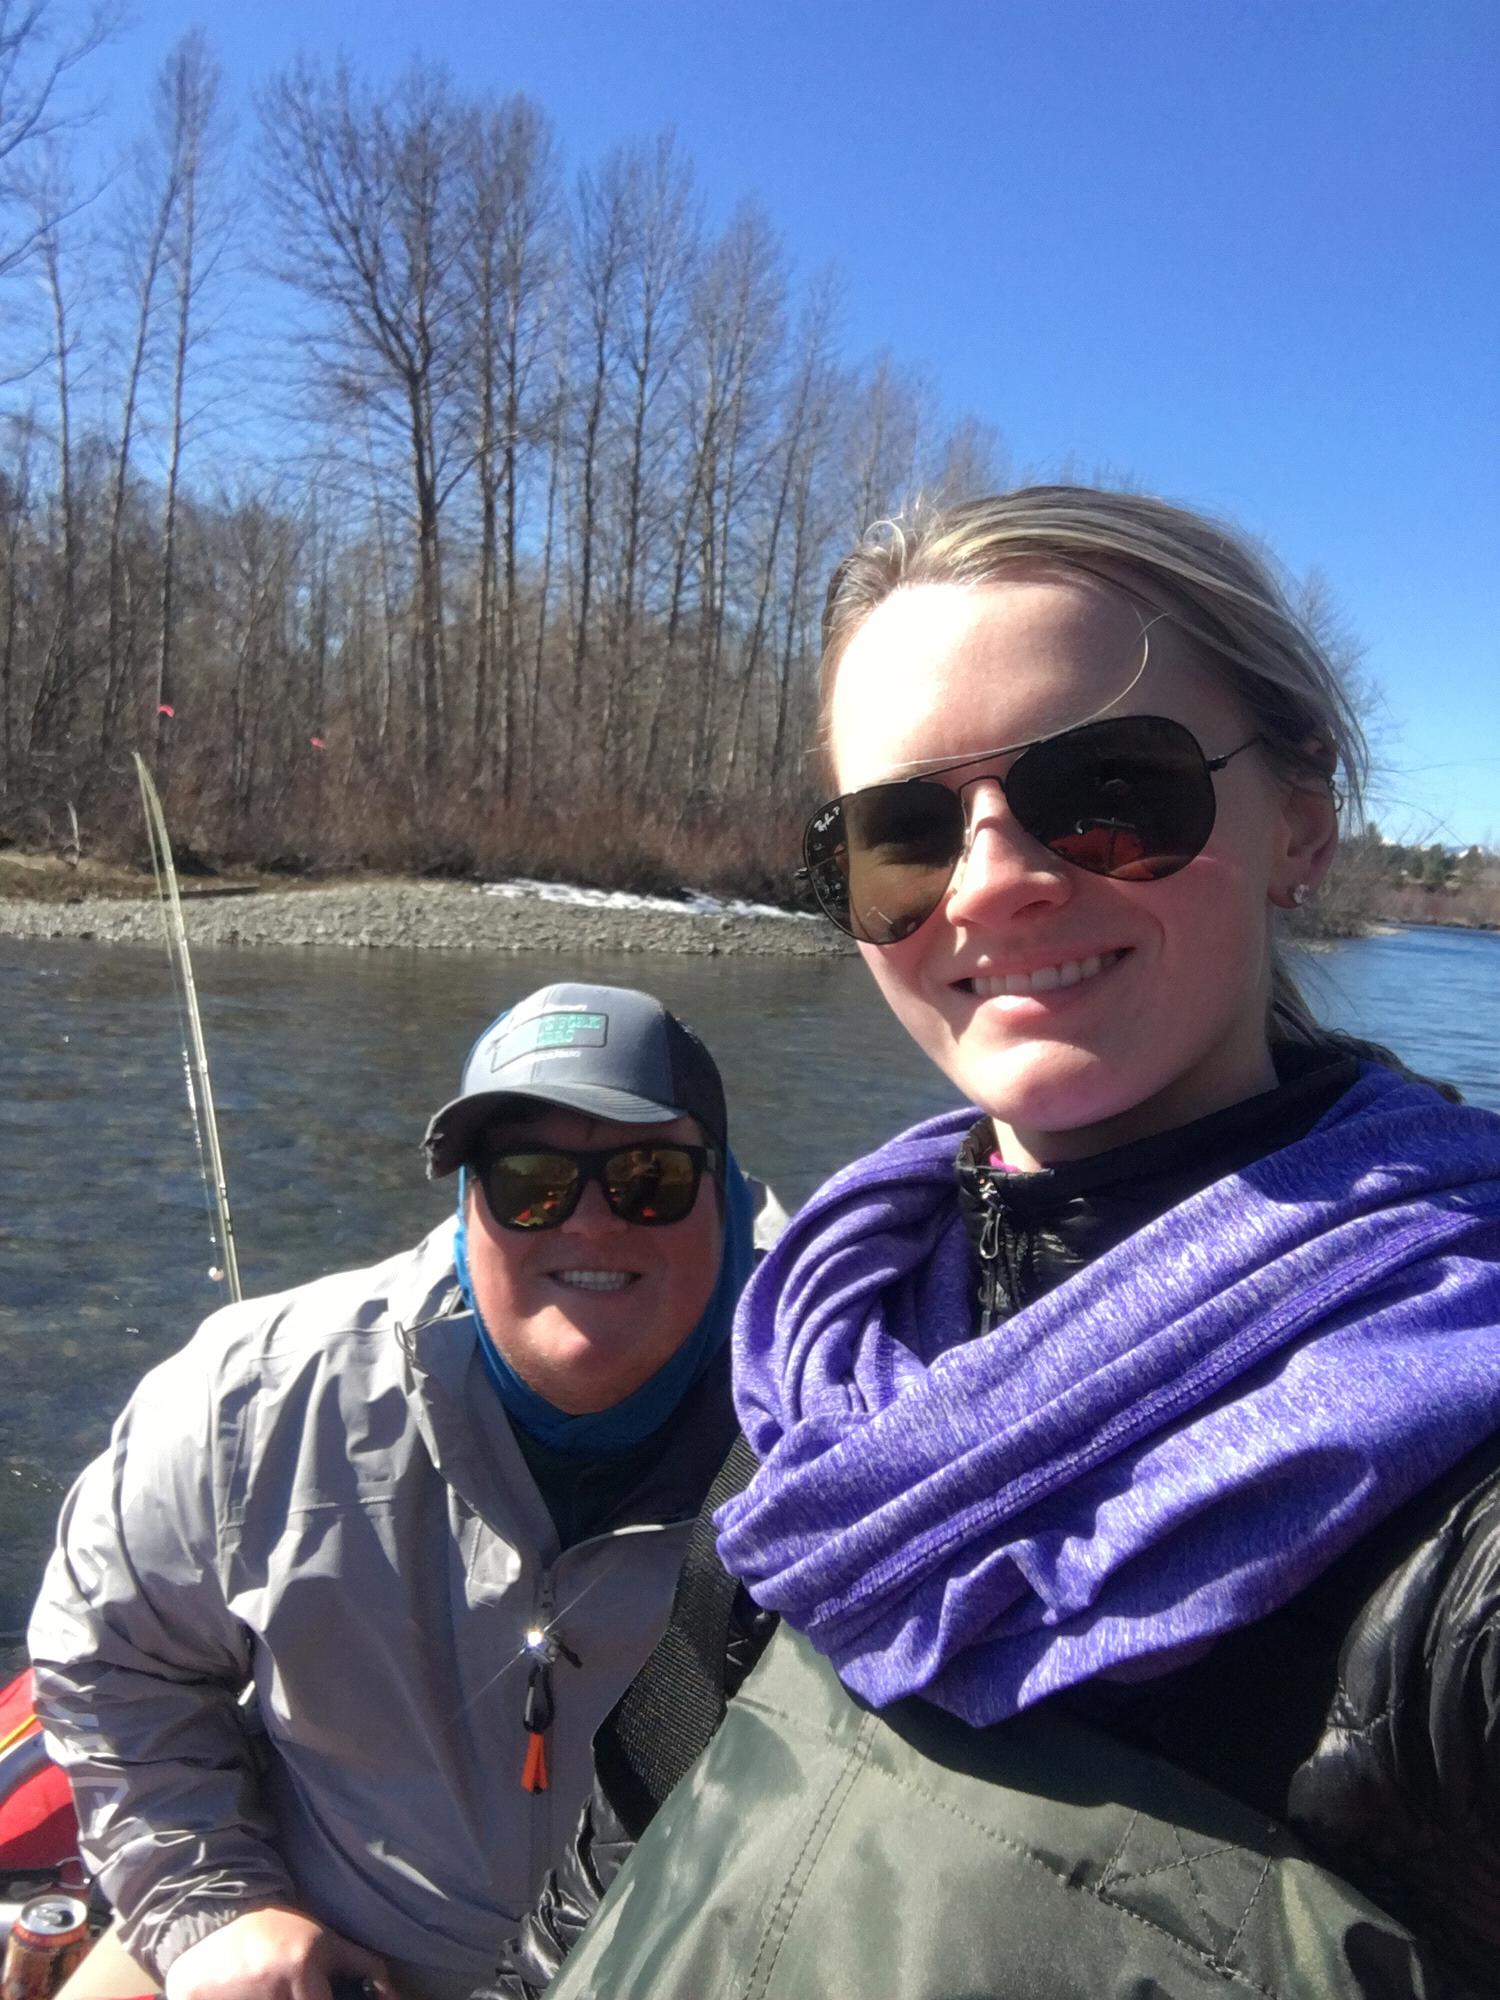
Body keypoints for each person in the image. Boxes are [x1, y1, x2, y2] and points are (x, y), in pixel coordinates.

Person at [524, 490, 1500, 2000]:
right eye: (904, 834)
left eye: (1109, 791)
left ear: (1300, 823)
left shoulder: (1464, 1467)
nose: (989, 881)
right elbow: (610, 1878)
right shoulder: (829, 1339)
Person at [29, 981, 779, 2000]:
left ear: (724, 1192)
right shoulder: (252, 1397)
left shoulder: (838, 1418)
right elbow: (105, 1649)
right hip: (335, 1950)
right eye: (528, 1182)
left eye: (650, 1178)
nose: (592, 1223)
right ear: (467, 1204)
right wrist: (212, 1904)